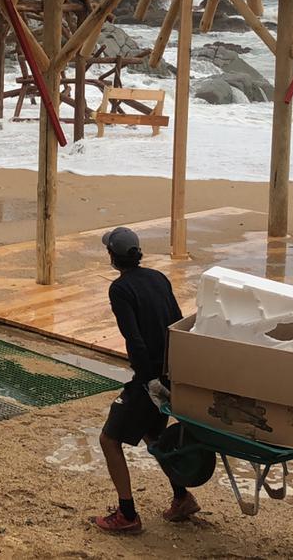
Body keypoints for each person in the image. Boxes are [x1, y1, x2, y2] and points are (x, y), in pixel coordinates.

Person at [91, 227, 197, 534]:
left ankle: (127, 515)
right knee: (154, 437)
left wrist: (150, 381)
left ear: (112, 256)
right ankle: (182, 497)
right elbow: (177, 323)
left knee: (109, 440)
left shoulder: (120, 289)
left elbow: (133, 339)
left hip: (149, 376)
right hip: (170, 370)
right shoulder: (158, 278)